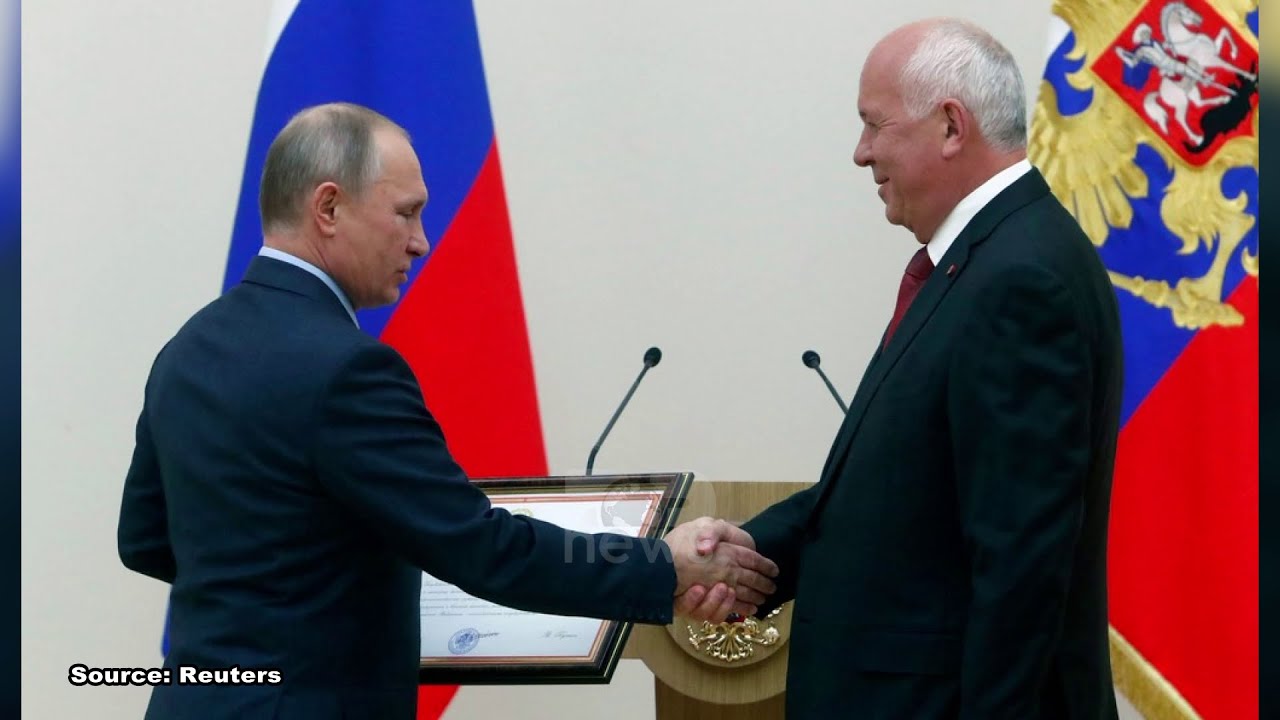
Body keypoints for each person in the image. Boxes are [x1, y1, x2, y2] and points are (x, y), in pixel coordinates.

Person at [117, 102, 777, 720]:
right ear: (328, 207)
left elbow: (144, 541)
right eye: (406, 214)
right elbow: (479, 547)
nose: (421, 242)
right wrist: (664, 566)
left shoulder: (187, 349)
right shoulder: (347, 369)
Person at [738, 19, 1123, 718]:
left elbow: (1020, 568)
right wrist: (748, 552)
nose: (861, 152)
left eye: (874, 124)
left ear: (950, 126)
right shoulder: (987, 260)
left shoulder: (1021, 280)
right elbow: (909, 493)